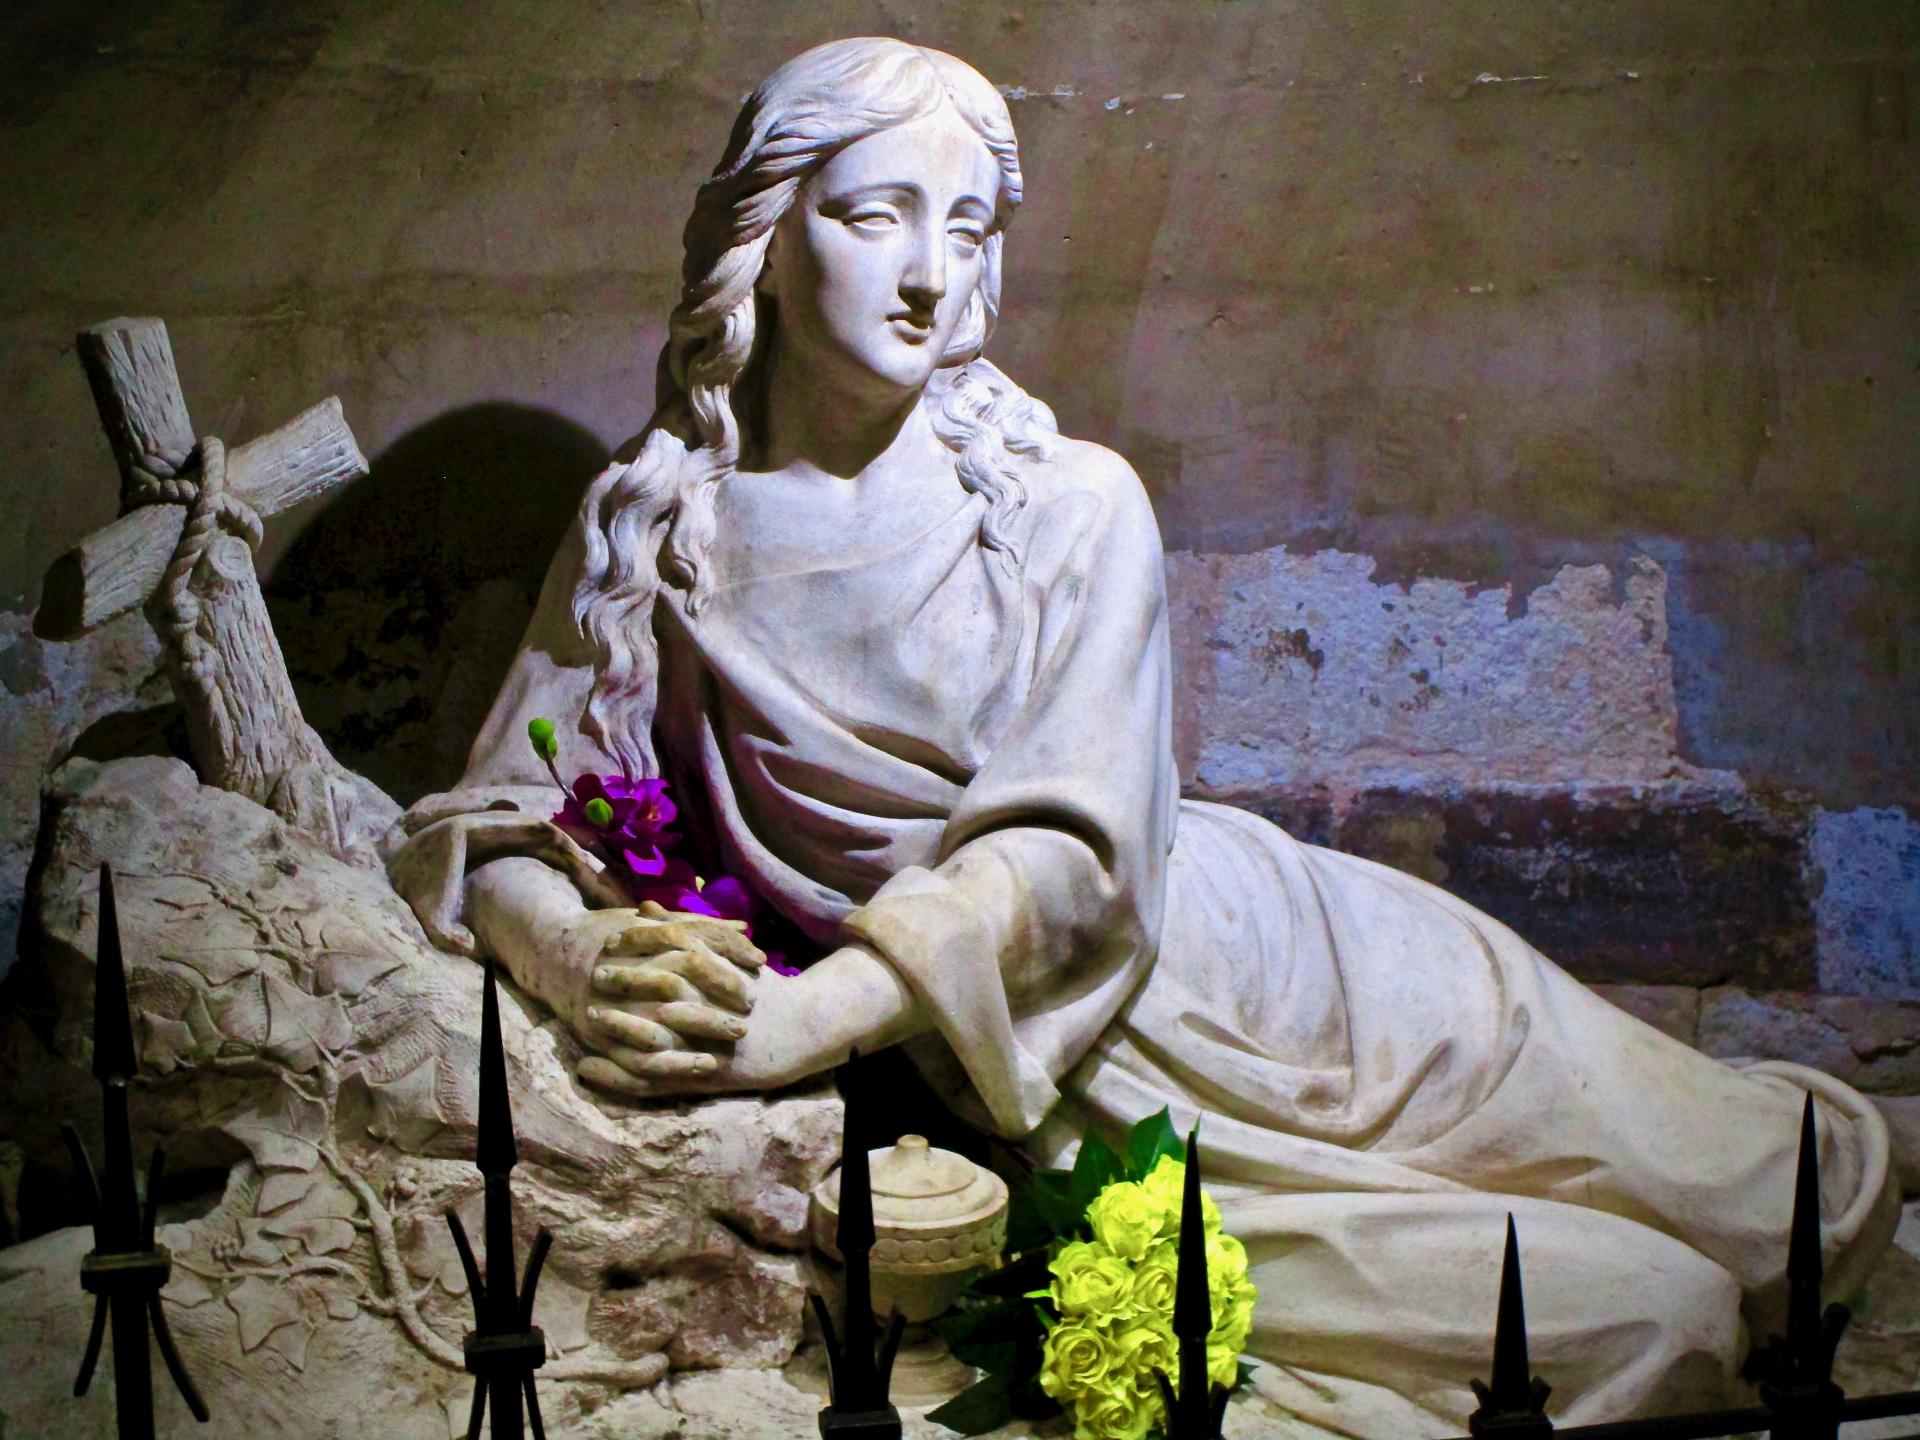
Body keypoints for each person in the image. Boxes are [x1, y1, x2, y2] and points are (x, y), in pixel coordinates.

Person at [389, 36, 1899, 1435]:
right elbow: (497, 822)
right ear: (766, 242)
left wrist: (798, 1019)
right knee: (1660, 1320)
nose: (930, 276)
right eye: (877, 218)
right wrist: (578, 960)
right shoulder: (653, 528)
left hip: (1266, 963)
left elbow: (1066, 854)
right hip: (1066, 1080)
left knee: (1783, 1187)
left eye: (969, 229)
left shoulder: (1066, 502)